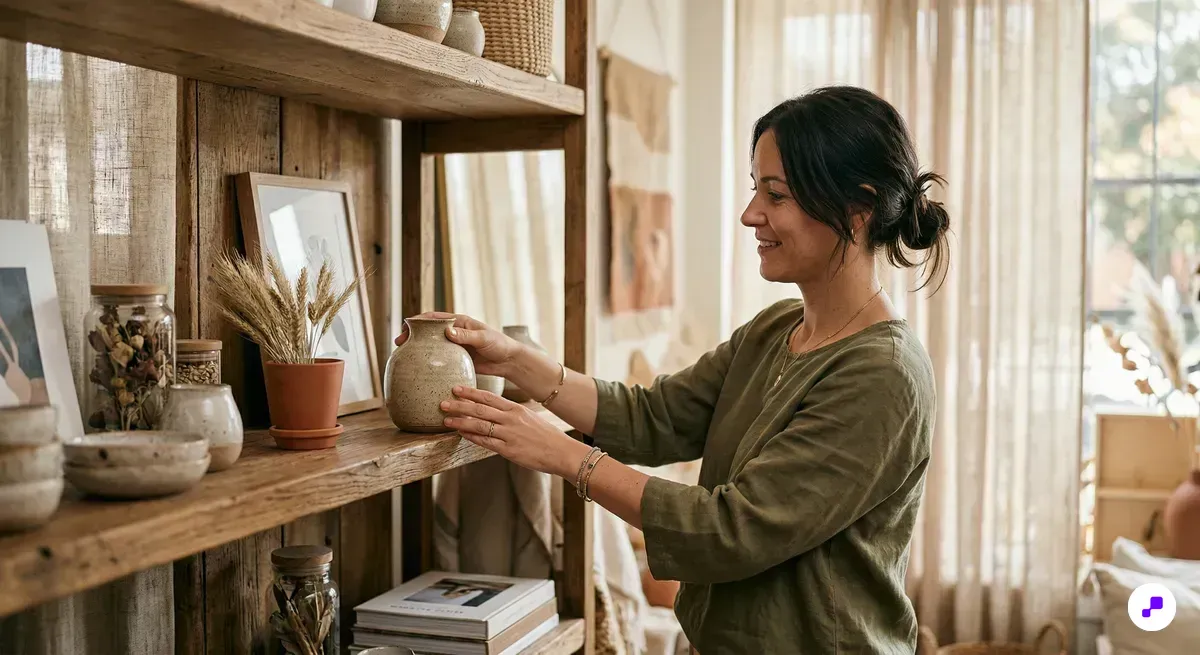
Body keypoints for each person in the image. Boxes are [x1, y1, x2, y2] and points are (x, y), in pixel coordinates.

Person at [395, 86, 948, 654]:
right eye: (755, 189)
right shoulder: (775, 330)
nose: (750, 214)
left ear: (858, 208)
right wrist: (514, 359)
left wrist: (560, 454)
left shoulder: (883, 374)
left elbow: (729, 530)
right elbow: (651, 416)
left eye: (776, 195)